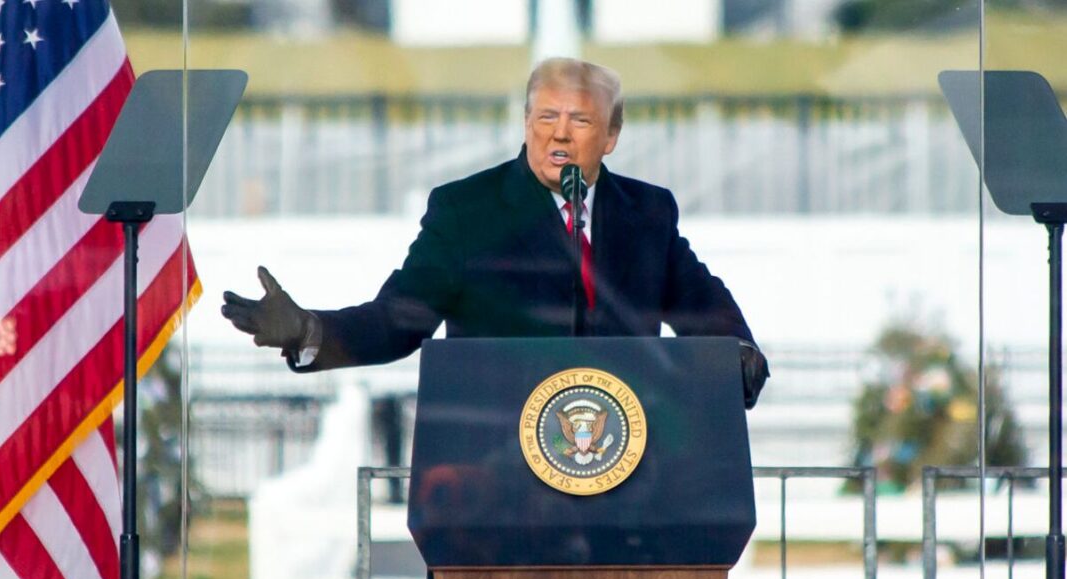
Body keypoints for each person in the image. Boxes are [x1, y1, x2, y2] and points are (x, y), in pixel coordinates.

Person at [221, 57, 769, 406]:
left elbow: (702, 306)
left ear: (611, 135)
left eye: (578, 121)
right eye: (544, 117)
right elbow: (398, 319)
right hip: (493, 472)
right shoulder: (466, 210)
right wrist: (308, 330)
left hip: (626, 465)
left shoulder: (647, 213)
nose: (559, 135)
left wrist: (738, 351)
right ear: (526, 123)